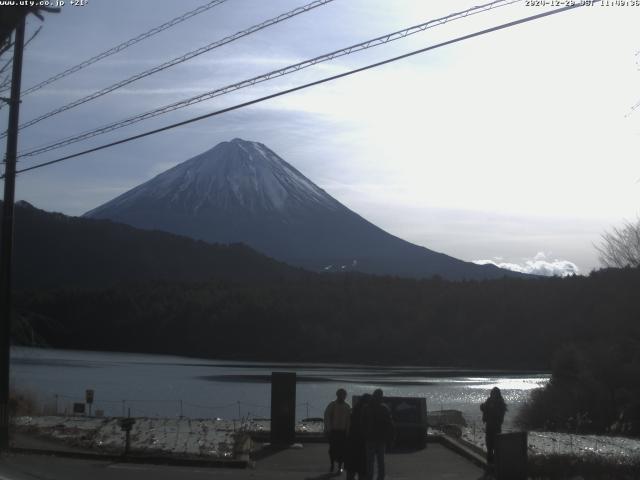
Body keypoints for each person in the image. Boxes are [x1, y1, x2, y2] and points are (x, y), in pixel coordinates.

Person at [363, 389, 394, 480]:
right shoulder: (384, 408)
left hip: (370, 438)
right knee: (380, 461)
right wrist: (391, 438)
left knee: (370, 461)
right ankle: (380, 477)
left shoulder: (367, 408)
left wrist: (364, 434)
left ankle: (370, 477)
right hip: (380, 438)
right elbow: (390, 424)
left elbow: (362, 423)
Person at [324, 388, 351, 473]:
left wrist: (348, 431)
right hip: (334, 431)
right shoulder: (332, 405)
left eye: (343, 395)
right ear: (337, 395)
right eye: (341, 395)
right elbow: (327, 416)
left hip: (342, 432)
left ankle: (339, 466)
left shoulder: (347, 406)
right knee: (332, 450)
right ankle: (332, 465)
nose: (342, 397)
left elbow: (349, 420)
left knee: (342, 450)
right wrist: (328, 429)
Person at [345, 393, 370, 480]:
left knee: (351, 467)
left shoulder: (355, 410)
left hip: (352, 442)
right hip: (361, 442)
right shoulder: (366, 410)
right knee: (362, 467)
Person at [480, 387, 507, 465]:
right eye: (492, 394)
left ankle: (495, 466)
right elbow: (483, 408)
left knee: (495, 448)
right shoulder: (490, 402)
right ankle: (490, 466)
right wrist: (484, 407)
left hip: (496, 427)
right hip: (490, 427)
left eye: (493, 394)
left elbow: (498, 415)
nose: (492, 395)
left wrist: (488, 409)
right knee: (490, 448)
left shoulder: (499, 404)